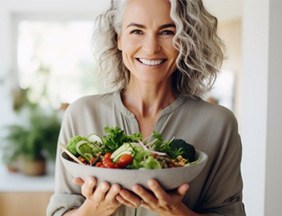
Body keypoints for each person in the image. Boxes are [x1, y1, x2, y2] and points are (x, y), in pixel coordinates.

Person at [47, 0, 246, 215]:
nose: (151, 48)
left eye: (167, 32)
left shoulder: (218, 123)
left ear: (186, 39)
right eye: (136, 31)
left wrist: (174, 210)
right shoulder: (82, 113)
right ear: (119, 38)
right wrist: (96, 208)